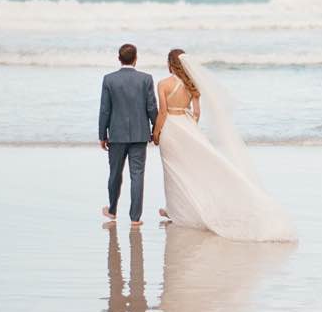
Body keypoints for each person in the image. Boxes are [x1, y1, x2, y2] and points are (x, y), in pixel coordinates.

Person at [151, 48, 297, 243]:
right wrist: (191, 131)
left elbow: (162, 112)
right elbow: (196, 113)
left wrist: (156, 133)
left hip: (171, 128)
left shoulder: (163, 84)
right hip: (187, 127)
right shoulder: (191, 84)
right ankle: (179, 209)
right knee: (189, 170)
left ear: (170, 64)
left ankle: (177, 210)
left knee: (173, 170)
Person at [98, 43, 157, 227]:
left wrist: (102, 134)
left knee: (115, 174)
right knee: (137, 175)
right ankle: (135, 218)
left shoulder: (109, 79)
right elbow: (151, 108)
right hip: (140, 133)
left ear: (119, 58)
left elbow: (105, 110)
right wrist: (156, 130)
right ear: (136, 58)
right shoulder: (146, 79)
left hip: (116, 134)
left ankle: (113, 210)